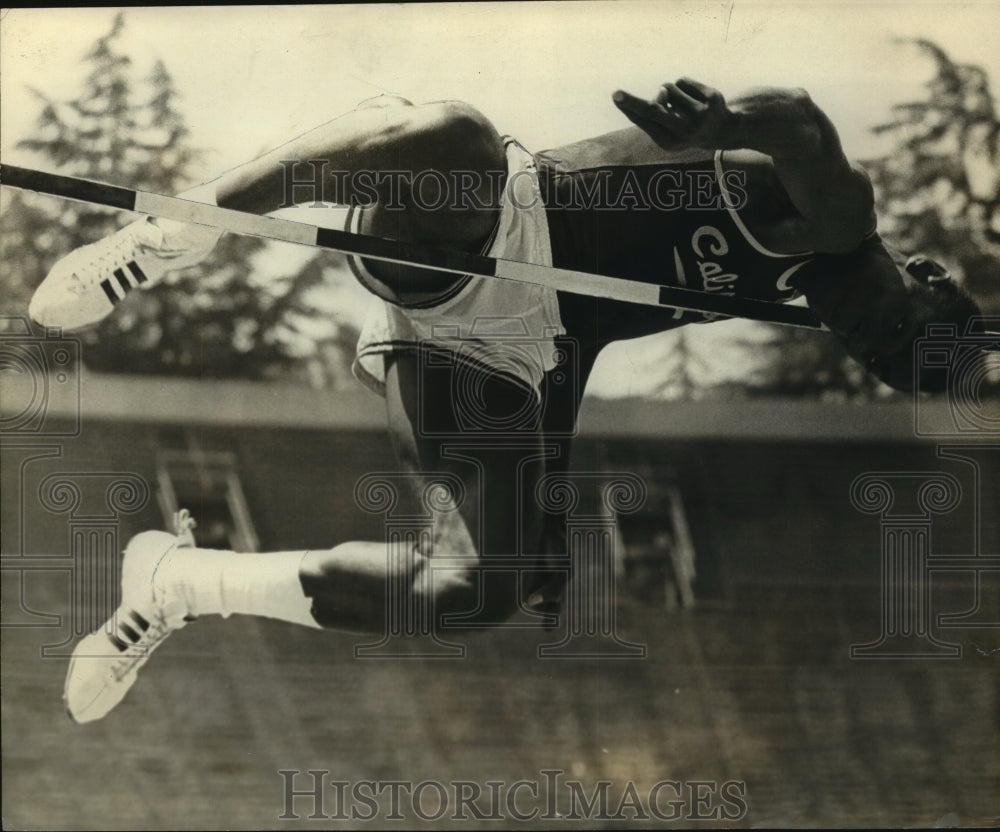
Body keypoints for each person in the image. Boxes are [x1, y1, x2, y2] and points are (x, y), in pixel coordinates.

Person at [29, 78, 981, 723]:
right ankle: (175, 230)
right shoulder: (833, 220)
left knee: (478, 589)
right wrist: (721, 121)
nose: (867, 339)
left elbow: (582, 335)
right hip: (487, 220)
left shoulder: (779, 301)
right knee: (458, 139)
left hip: (515, 346)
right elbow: (804, 124)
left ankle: (181, 586)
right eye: (898, 330)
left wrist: (547, 485)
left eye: (878, 360)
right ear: (928, 277)